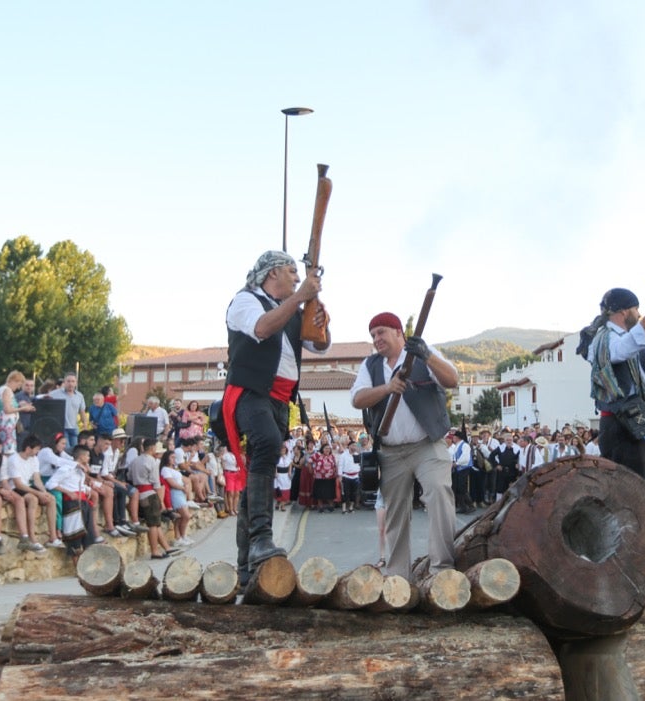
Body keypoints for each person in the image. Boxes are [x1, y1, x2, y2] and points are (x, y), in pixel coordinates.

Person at [219, 249, 329, 586]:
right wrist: (300, 297)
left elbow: (320, 346)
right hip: (250, 392)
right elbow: (263, 328)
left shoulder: (292, 310)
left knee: (260, 468)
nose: (297, 278)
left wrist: (319, 318)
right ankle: (262, 539)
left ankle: (244, 564)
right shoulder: (245, 301)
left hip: (281, 399)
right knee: (266, 444)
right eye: (292, 272)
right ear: (273, 274)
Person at [351, 311, 457, 581]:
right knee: (395, 515)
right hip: (391, 452)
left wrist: (427, 355)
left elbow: (452, 379)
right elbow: (358, 398)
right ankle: (398, 577)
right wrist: (387, 388)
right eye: (373, 335)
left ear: (399, 332)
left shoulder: (423, 353)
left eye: (381, 332)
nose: (377, 339)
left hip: (427, 446)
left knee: (439, 495)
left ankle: (441, 569)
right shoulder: (371, 365)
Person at [577, 288, 645, 495]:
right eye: (636, 309)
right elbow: (622, 350)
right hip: (619, 424)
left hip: (639, 420)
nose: (639, 314)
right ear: (623, 312)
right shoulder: (601, 339)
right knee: (629, 491)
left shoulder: (629, 338)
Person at [0, 370, 35, 455]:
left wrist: (20, 405)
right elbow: (7, 409)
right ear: (14, 381)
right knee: (8, 450)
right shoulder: (7, 390)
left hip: (7, 424)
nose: (18, 388)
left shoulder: (1, 389)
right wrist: (23, 408)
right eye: (19, 384)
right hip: (7, 425)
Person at [160, 450, 193, 546]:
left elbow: (184, 479)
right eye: (172, 457)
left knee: (179, 517)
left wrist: (186, 486)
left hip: (181, 493)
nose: (174, 459)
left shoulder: (174, 469)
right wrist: (183, 488)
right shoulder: (165, 469)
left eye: (175, 457)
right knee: (186, 515)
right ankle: (181, 536)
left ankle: (180, 537)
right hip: (175, 493)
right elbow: (171, 482)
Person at [49, 374, 87, 448]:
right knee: (67, 449)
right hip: (62, 427)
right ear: (64, 382)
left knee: (75, 448)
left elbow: (82, 411)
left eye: (73, 381)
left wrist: (85, 425)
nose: (70, 383)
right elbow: (44, 400)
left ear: (76, 383)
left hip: (74, 427)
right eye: (68, 381)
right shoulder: (55, 394)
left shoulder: (79, 396)